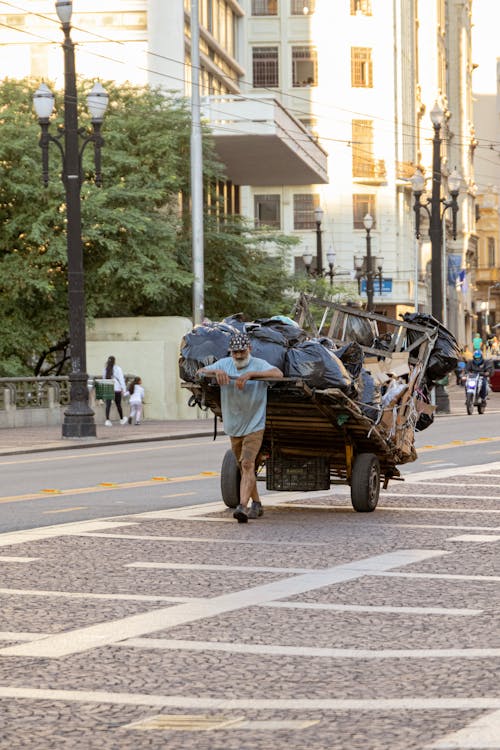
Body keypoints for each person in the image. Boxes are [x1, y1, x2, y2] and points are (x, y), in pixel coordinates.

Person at [197, 332, 283, 523]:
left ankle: (242, 507)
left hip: (254, 423)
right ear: (231, 352)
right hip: (233, 425)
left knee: (247, 464)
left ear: (249, 349)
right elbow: (199, 372)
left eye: (242, 351)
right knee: (244, 467)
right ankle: (257, 504)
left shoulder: (259, 364)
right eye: (235, 352)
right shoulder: (224, 364)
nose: (239, 355)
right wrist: (215, 372)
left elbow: (278, 374)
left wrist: (252, 374)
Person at [103, 355, 128, 426]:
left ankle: (107, 420)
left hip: (108, 388)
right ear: (114, 361)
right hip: (116, 389)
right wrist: (124, 389)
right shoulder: (117, 368)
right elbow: (121, 379)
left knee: (108, 405)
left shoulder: (105, 369)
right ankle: (122, 419)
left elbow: (104, 379)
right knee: (118, 405)